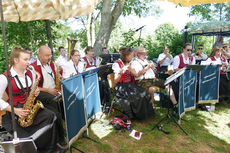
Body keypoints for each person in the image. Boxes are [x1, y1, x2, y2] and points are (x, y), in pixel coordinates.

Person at [0, 46, 61, 153]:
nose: (29, 62)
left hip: (30, 107)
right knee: (26, 134)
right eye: (26, 59)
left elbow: (34, 88)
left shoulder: (31, 74)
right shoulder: (4, 78)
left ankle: (49, 149)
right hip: (16, 112)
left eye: (29, 59)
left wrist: (36, 91)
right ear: (16, 60)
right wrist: (14, 110)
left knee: (51, 116)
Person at [31, 46, 64, 144]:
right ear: (39, 55)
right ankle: (60, 136)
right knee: (55, 103)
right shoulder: (33, 67)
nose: (49, 57)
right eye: (47, 55)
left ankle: (65, 125)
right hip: (41, 93)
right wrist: (48, 90)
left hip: (54, 90)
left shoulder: (52, 65)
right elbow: (34, 87)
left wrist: (60, 79)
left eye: (50, 55)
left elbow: (55, 78)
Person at [112, 47, 155, 120]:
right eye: (131, 55)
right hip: (121, 87)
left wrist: (130, 69)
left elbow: (136, 75)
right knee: (137, 97)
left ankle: (145, 114)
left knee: (144, 93)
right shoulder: (117, 64)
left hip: (129, 85)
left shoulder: (129, 63)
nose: (133, 57)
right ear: (126, 56)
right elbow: (115, 80)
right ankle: (136, 116)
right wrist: (122, 71)